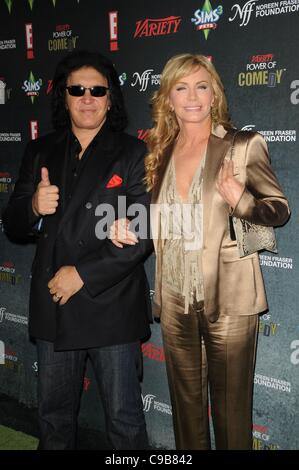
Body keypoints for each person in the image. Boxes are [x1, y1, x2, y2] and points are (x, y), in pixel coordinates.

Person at [110, 53, 290, 450]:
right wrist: (130, 225)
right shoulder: (158, 150)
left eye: (202, 86)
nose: (192, 96)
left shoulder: (242, 145)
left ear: (214, 95)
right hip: (174, 294)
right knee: (186, 409)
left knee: (231, 412)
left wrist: (240, 197)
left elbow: (278, 209)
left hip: (229, 296)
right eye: (181, 87)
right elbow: (164, 220)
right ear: (169, 99)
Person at [3, 50, 153, 450]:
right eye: (77, 89)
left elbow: (141, 233)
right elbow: (13, 222)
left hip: (112, 303)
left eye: (97, 90)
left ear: (110, 98)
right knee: (53, 419)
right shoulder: (39, 151)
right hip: (55, 302)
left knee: (124, 423)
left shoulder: (134, 153)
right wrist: (34, 206)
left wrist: (81, 274)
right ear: (64, 97)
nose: (87, 97)